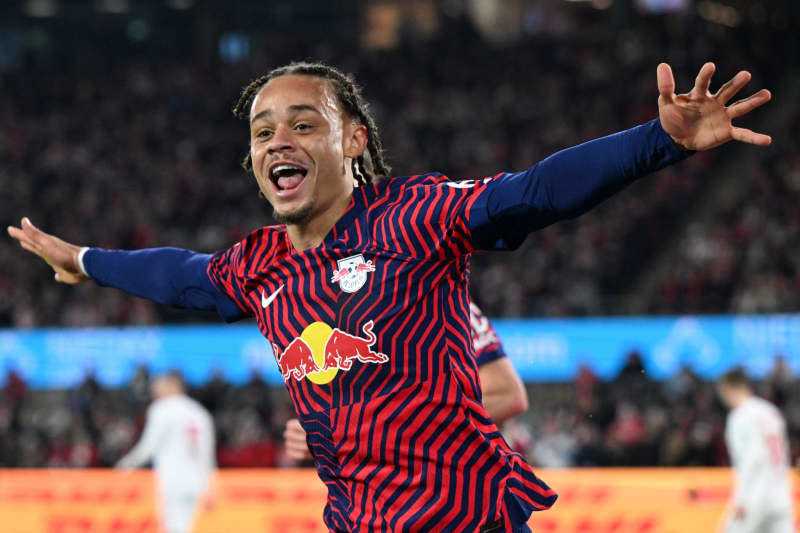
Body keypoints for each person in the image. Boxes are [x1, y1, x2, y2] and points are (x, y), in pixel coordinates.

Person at [8, 60, 771, 532]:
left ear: (354, 142)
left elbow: (535, 192)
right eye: (262, 129)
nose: (278, 139)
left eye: (305, 123)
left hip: (465, 521)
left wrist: (658, 140)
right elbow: (175, 274)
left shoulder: (417, 216)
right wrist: (83, 258)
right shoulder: (260, 265)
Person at [284, 301, 529, 462]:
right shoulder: (337, 314)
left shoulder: (436, 298)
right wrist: (320, 433)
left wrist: (347, 431)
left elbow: (507, 394)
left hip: (456, 498)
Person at [116, 372, 216, 533]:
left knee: (172, 527)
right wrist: (209, 486)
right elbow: (207, 453)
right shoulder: (199, 413)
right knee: (185, 528)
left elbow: (149, 446)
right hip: (196, 480)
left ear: (171, 387)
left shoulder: (162, 409)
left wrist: (126, 465)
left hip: (172, 479)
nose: (155, 392)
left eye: (158, 388)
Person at [716, 367, 794, 533]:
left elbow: (752, 459)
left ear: (728, 388)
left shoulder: (740, 417)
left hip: (754, 496)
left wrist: (741, 499)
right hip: (780, 494)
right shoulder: (770, 411)